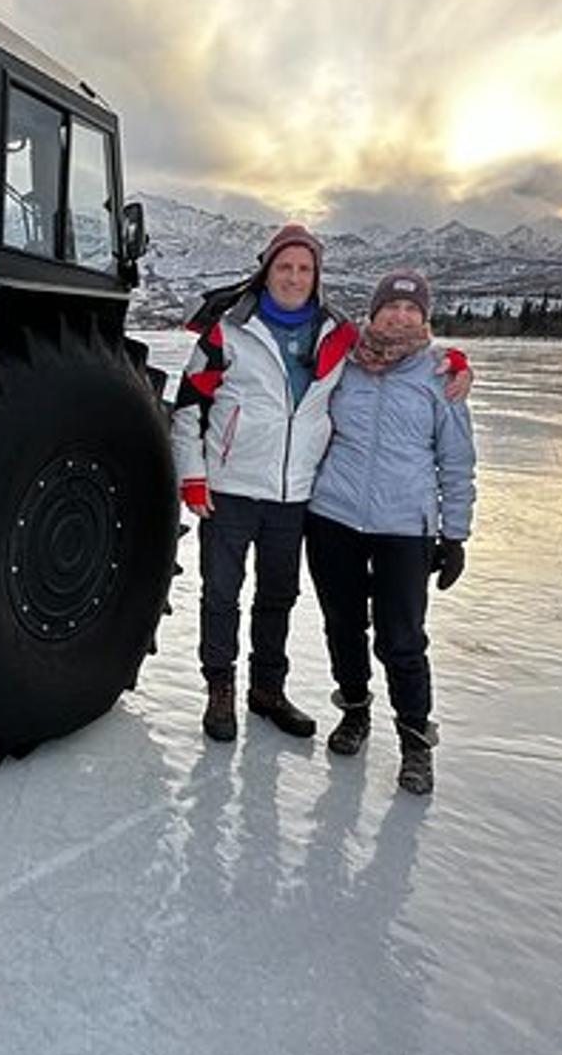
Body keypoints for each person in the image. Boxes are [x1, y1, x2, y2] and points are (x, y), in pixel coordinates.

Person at [170, 228, 470, 744]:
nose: (294, 277)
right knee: (222, 594)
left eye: (304, 269)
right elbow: (189, 407)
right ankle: (220, 688)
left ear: (316, 278)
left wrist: (457, 364)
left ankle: (267, 690)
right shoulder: (228, 331)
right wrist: (192, 475)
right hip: (230, 487)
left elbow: (400, 352)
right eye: (284, 267)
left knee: (278, 596)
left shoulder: (339, 336)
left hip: (295, 495)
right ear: (268, 272)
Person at [305, 269, 475, 795]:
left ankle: (414, 744)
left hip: (405, 526)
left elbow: (457, 461)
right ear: (374, 312)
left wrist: (455, 534)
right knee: (343, 625)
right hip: (333, 516)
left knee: (402, 639)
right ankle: (355, 710)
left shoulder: (439, 376)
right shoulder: (344, 364)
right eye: (391, 308)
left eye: (412, 310)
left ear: (424, 318)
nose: (400, 317)